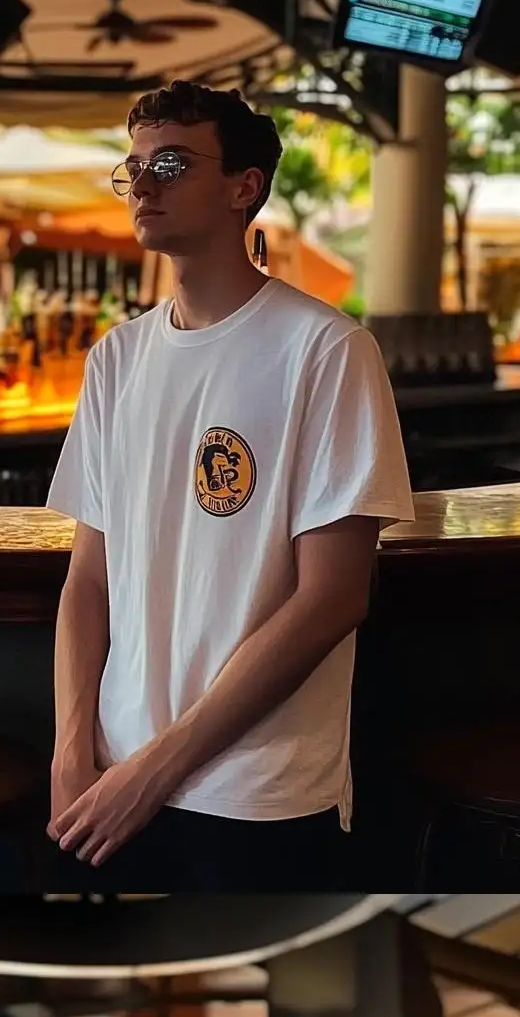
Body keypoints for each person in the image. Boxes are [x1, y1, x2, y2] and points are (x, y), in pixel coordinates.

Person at [45, 81, 413, 891]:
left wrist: (158, 769)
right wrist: (73, 751)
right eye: (133, 166)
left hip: (254, 792)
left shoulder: (325, 351)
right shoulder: (116, 360)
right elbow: (87, 578)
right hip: (109, 779)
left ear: (245, 187)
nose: (142, 184)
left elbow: (335, 597)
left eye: (170, 164)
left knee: (253, 1012)